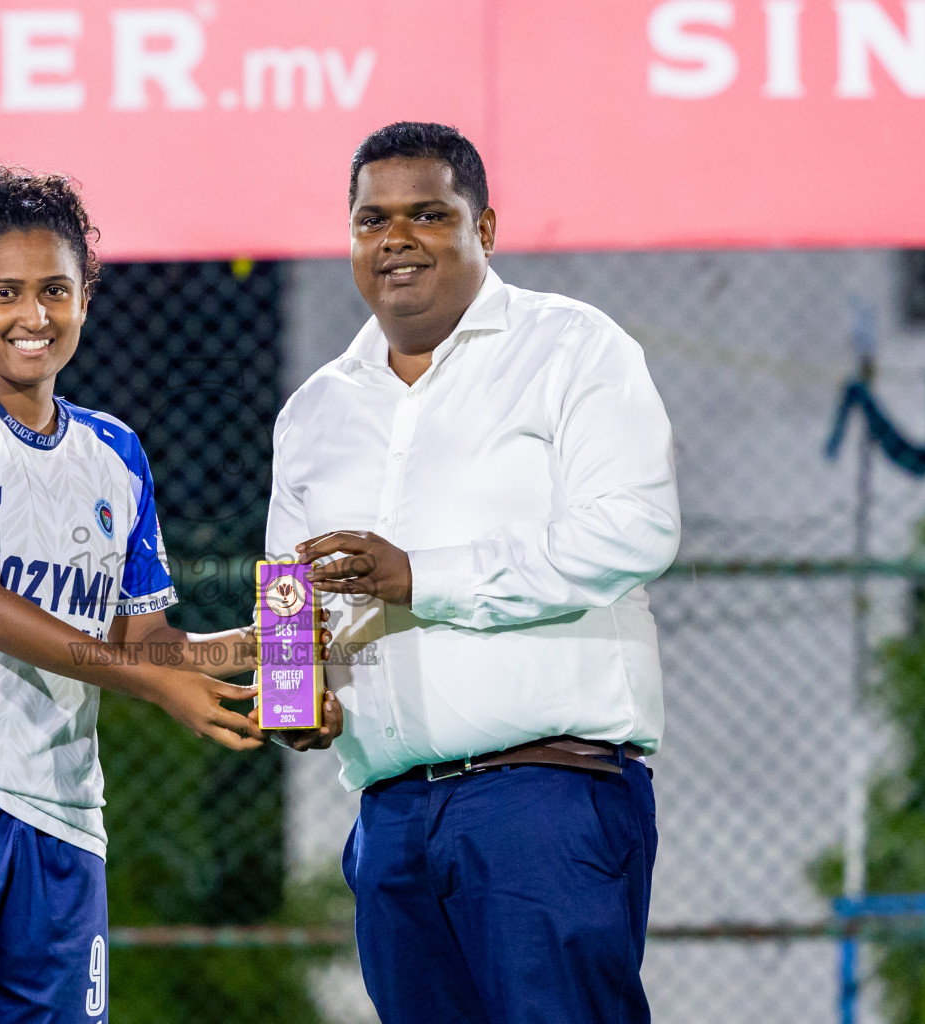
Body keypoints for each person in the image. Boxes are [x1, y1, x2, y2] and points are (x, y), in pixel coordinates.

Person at [0, 166, 337, 1024]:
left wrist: (269, 648)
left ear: (86, 295)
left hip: (62, 811)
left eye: (55, 289)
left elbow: (146, 646)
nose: (33, 316)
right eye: (4, 292)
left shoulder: (115, 454)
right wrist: (158, 683)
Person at [268, 123, 680, 1023]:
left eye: (428, 214)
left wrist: (424, 575)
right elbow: (290, 597)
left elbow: (635, 530)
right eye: (372, 219)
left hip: (544, 797)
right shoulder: (313, 413)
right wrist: (296, 698)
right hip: (391, 821)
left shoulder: (573, 348)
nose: (397, 239)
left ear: (484, 228)